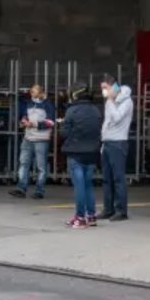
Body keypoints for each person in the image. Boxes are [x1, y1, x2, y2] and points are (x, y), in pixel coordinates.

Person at [59, 85, 102, 229]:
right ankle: (91, 216)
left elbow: (64, 133)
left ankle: (80, 217)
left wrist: (61, 126)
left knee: (79, 186)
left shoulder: (72, 110)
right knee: (88, 184)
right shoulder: (96, 110)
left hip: (75, 151)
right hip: (92, 151)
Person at [8, 84, 55, 199]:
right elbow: (25, 115)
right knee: (24, 163)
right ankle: (21, 188)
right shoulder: (29, 103)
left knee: (41, 166)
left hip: (41, 139)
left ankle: (39, 191)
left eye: (33, 91)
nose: (31, 93)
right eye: (31, 91)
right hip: (28, 137)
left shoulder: (47, 104)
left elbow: (51, 122)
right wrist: (23, 120)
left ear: (40, 92)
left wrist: (34, 124)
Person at [97, 74, 133, 221]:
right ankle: (108, 208)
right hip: (107, 142)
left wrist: (111, 101)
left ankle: (121, 210)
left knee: (118, 178)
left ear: (114, 87)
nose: (104, 92)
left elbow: (117, 118)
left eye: (105, 88)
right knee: (107, 178)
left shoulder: (126, 101)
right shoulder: (109, 102)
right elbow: (107, 121)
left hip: (118, 142)